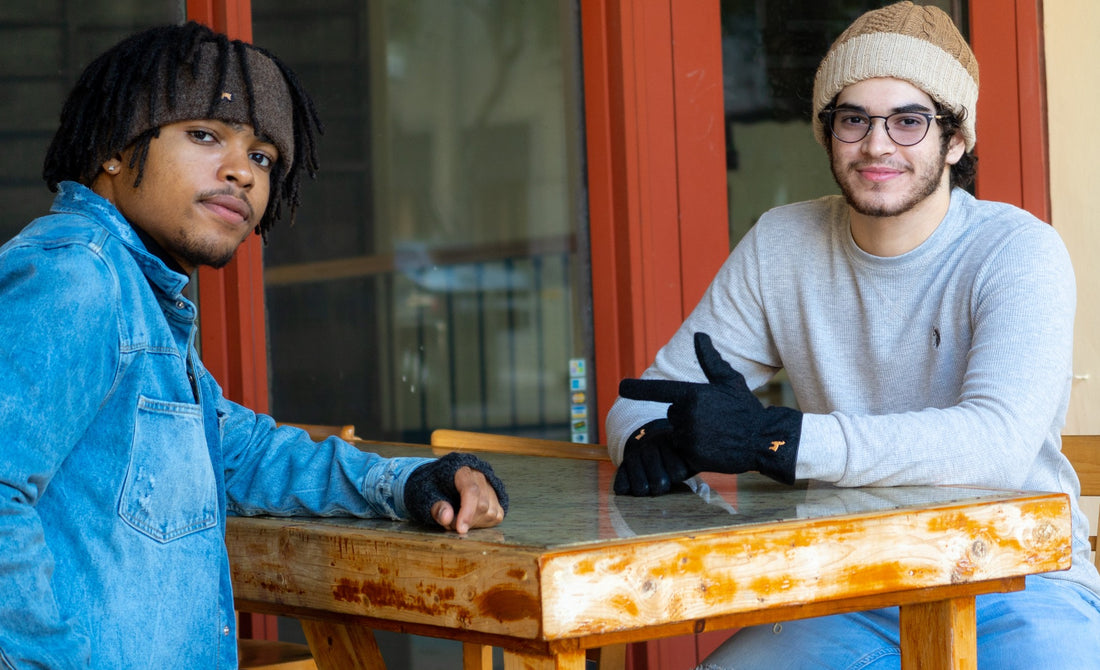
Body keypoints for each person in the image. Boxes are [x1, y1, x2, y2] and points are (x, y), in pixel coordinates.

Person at [604, 2, 1100, 668]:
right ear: (826, 131)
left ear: (956, 140)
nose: (877, 144)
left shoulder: (1017, 251)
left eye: (909, 120)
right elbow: (644, 398)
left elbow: (995, 445)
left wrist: (779, 440)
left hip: (1020, 580)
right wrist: (647, 440)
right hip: (852, 585)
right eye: (853, 119)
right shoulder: (784, 244)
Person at [0, 22, 508, 670]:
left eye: (264, 156)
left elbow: (242, 452)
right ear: (112, 148)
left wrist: (407, 482)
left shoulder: (141, 303)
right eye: (205, 134)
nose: (242, 171)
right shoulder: (78, 280)